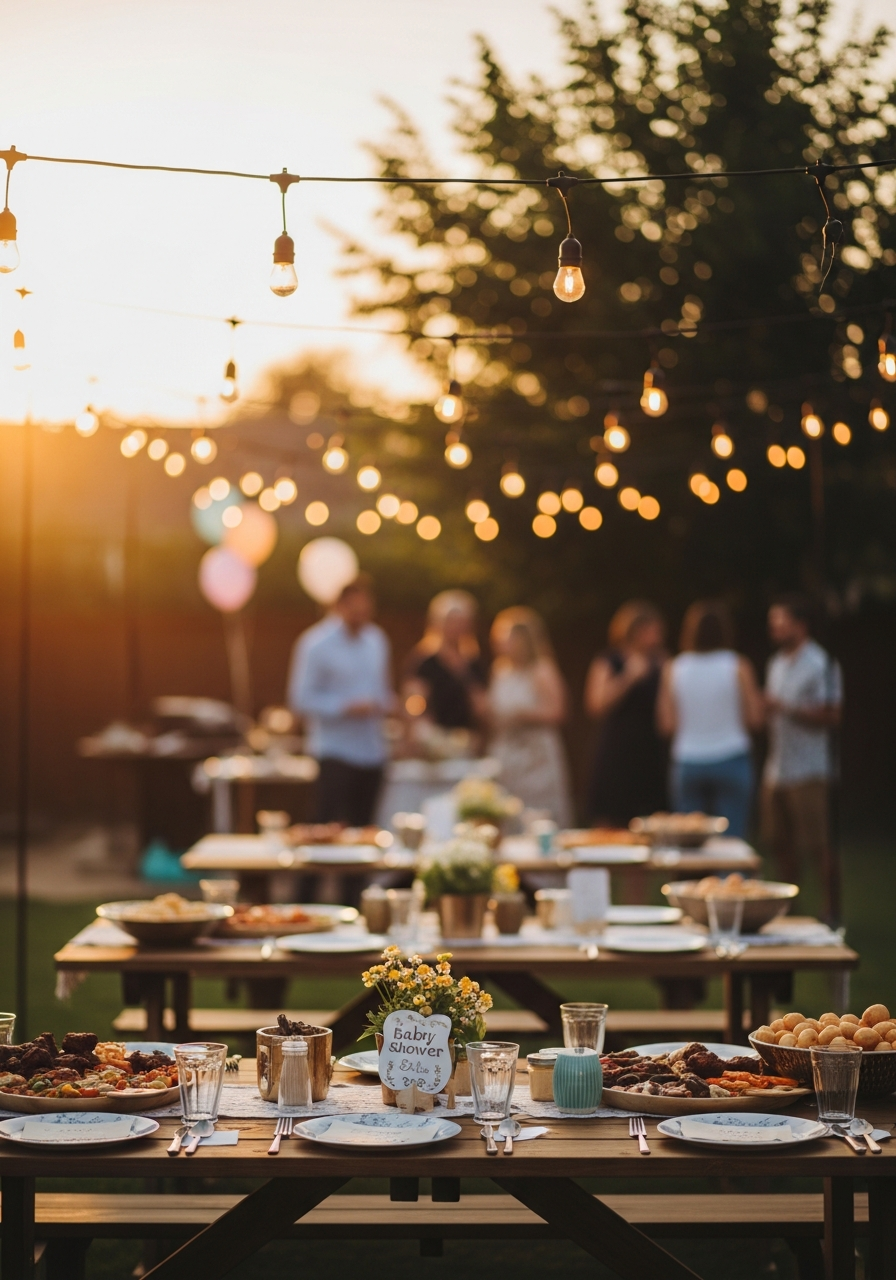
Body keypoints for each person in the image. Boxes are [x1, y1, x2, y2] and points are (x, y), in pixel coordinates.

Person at [287, 574, 394, 825]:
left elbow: (382, 690)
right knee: (329, 827)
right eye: (355, 610)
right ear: (340, 607)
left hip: (372, 751)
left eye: (365, 611)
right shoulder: (315, 644)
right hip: (335, 751)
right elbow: (300, 698)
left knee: (365, 829)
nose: (360, 617)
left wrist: (388, 704)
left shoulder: (376, 640)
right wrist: (344, 707)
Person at [762, 595, 843, 922]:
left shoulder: (821, 664)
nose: (776, 629)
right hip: (777, 768)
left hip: (810, 769)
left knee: (817, 844)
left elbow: (833, 714)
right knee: (779, 842)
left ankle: (832, 908)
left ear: (801, 625)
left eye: (782, 622)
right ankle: (788, 906)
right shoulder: (776, 664)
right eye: (773, 624)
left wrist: (788, 709)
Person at [657, 600, 764, 838]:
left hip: (688, 760)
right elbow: (755, 719)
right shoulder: (738, 665)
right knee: (731, 844)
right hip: (732, 758)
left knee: (688, 844)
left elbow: (666, 724)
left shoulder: (674, 668)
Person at [585, 600, 669, 826]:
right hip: (616, 751)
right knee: (610, 821)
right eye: (651, 630)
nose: (657, 637)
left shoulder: (662, 662)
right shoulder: (609, 661)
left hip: (650, 751)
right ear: (633, 631)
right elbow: (595, 705)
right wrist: (628, 678)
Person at [488, 607, 573, 826]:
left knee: (540, 815)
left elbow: (558, 712)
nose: (500, 644)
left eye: (506, 638)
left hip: (537, 756)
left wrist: (522, 714)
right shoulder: (500, 671)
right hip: (507, 752)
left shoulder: (541, 669)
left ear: (523, 640)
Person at [402, 590, 488, 739]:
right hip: (435, 737)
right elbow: (413, 702)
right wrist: (417, 716)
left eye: (461, 622)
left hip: (466, 739)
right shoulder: (425, 662)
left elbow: (481, 707)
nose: (456, 627)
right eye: (451, 621)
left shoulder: (474, 664)